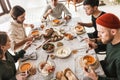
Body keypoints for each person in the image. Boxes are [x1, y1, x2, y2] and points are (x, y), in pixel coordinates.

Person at [83, 13, 120, 80]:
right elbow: (110, 47)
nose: (98, 35)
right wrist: (97, 46)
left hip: (108, 76)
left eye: (101, 32)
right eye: (98, 31)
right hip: (105, 66)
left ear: (113, 32)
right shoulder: (113, 39)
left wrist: (97, 78)